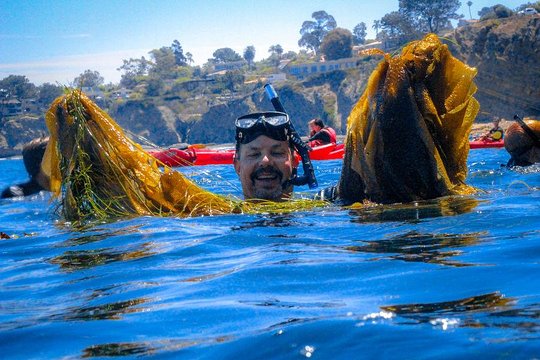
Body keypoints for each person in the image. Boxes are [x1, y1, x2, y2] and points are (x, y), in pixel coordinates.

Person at [234, 111, 297, 201]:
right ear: (237, 166)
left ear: (294, 161)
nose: (265, 161)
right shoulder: (214, 212)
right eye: (254, 154)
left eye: (277, 153)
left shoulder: (321, 208)